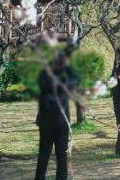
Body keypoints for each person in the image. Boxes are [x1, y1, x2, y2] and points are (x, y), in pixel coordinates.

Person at [35, 51, 77, 180]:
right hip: (58, 123)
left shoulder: (44, 74)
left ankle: (40, 177)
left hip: (49, 123)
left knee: (44, 154)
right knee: (60, 156)